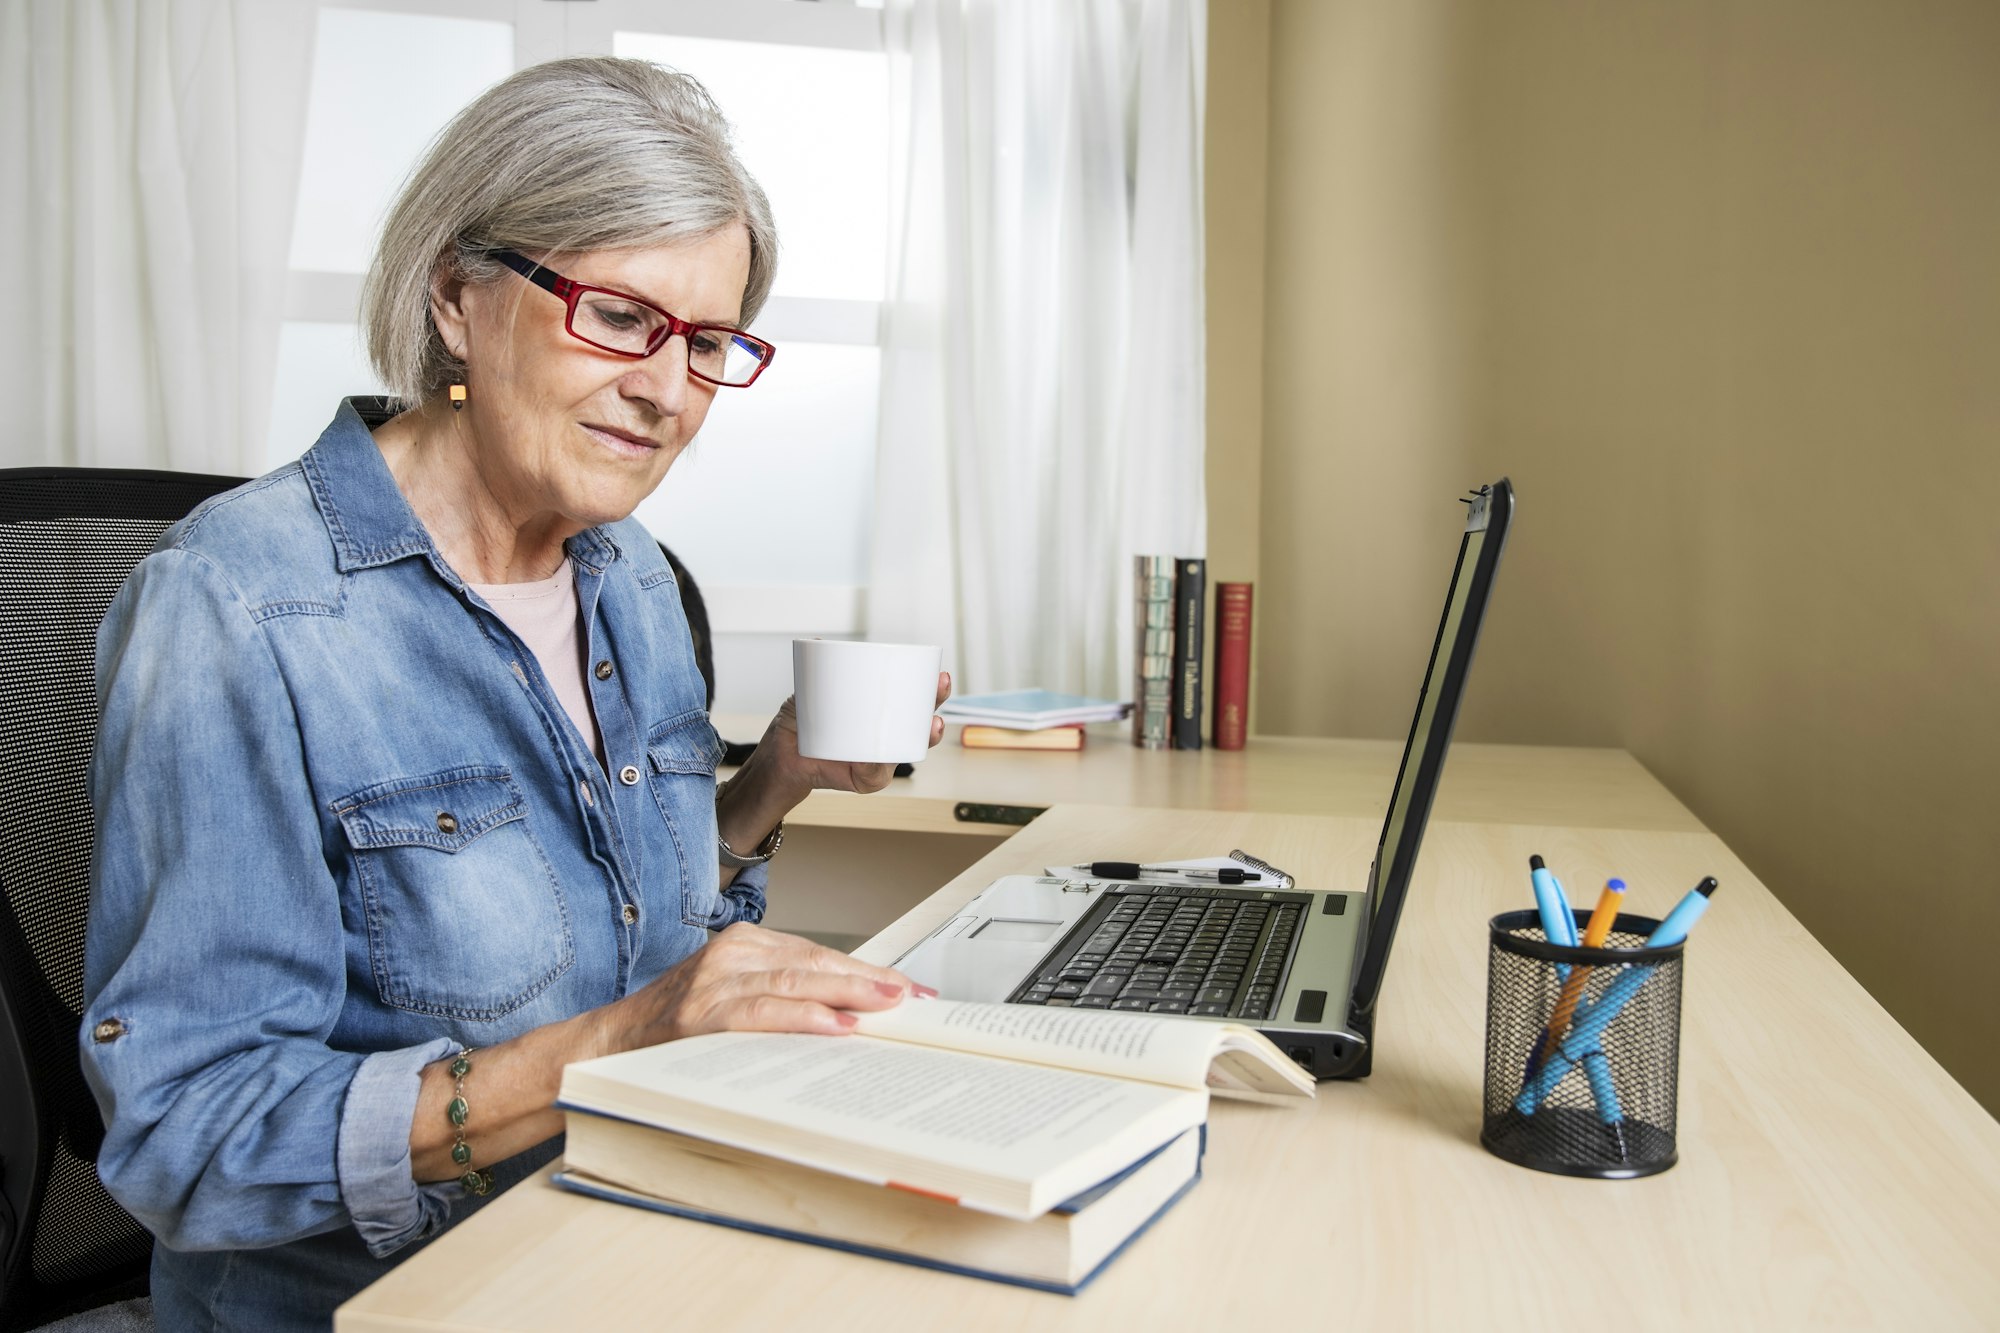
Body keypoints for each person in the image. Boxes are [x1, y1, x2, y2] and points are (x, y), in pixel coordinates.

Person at [78, 57, 945, 1332]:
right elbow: (192, 1137)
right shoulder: (237, 611)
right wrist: (619, 1042)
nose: (666, 390)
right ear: (455, 298)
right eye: (619, 317)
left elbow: (604, 925)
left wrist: (771, 782)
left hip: (629, 1240)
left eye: (706, 343)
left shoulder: (629, 571)